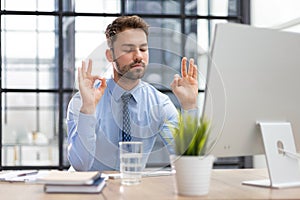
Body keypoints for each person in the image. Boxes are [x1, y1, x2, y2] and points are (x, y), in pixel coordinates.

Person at [66, 15, 199, 171]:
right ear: (110, 55)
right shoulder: (82, 101)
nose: (138, 56)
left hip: (133, 188)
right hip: (90, 191)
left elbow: (186, 159)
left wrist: (189, 106)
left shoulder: (159, 103)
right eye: (128, 49)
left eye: (143, 49)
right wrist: (88, 108)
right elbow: (80, 166)